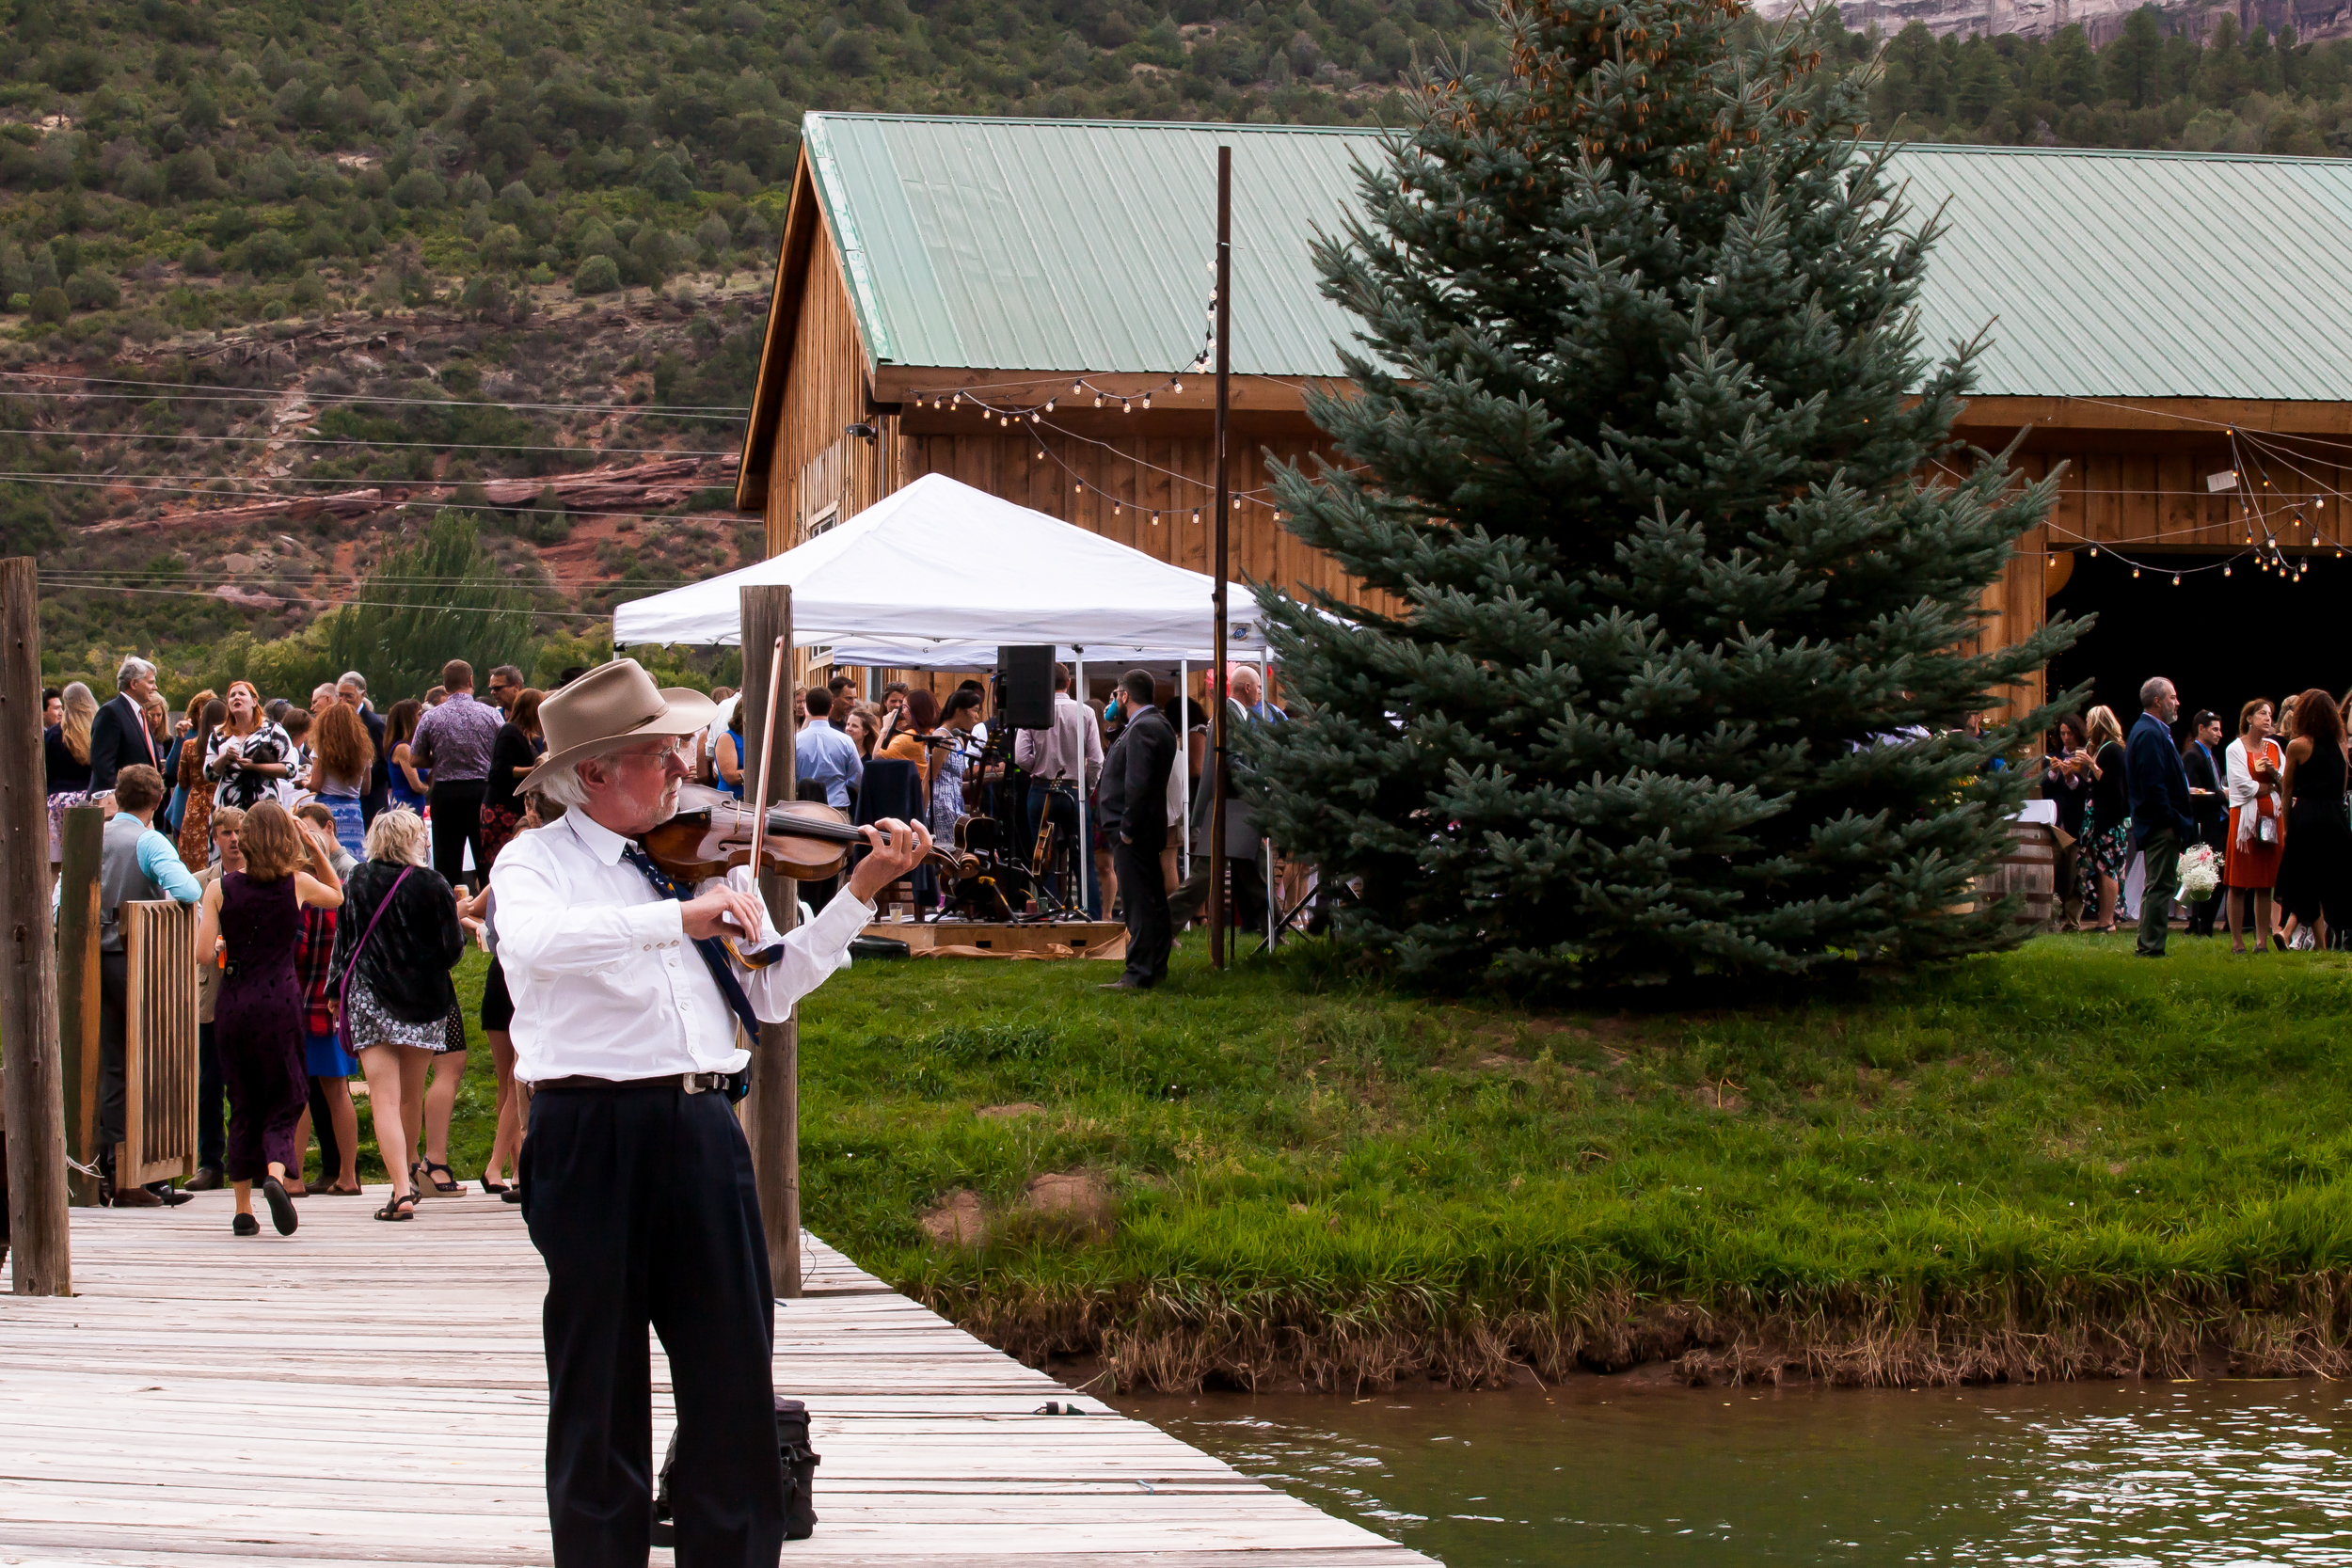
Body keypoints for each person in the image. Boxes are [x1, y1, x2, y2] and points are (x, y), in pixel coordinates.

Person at [488, 656, 928, 1567]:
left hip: (699, 1129)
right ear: (594, 772)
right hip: (589, 1132)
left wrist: (856, 893)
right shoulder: (535, 862)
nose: (683, 769)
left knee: (732, 1380)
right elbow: (532, 944)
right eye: (660, 755)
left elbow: (769, 994)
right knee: (598, 1385)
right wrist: (676, 921)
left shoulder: (692, 861)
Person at [196, 800, 343, 1236]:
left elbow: (203, 954)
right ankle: (276, 1175)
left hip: (235, 1002)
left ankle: (243, 1209)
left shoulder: (219, 888)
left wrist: (226, 948)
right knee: (287, 1094)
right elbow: (336, 894)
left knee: (241, 1100)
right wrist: (315, 849)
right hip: (281, 999)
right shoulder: (296, 884)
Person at [326, 807, 466, 1222]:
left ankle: (401, 1191)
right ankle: (407, 1172)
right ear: (413, 839)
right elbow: (453, 950)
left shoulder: (356, 879)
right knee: (409, 1095)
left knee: (383, 1099)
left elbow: (344, 940)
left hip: (368, 995)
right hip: (421, 1001)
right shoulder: (433, 883)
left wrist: (335, 990)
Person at [87, 765, 203, 1207]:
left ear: (117, 795)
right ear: (157, 802)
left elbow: (62, 902)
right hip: (137, 964)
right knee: (150, 1066)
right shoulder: (149, 839)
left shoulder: (92, 837)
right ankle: (141, 1175)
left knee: (112, 1065)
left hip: (91, 963)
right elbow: (188, 891)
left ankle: (112, 1170)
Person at [290, 804, 364, 1199]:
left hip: (307, 1002)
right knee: (339, 1091)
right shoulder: (341, 892)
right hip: (334, 1002)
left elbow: (299, 952)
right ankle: (348, 1175)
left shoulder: (308, 897)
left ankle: (295, 1176)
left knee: (301, 1093)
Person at [1100, 669, 1178, 990]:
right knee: (1152, 899)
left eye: (1117, 695)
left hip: (1133, 830)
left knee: (1139, 904)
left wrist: (1127, 829)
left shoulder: (1144, 728)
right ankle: (1155, 966)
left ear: (1125, 696)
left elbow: (1139, 782)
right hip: (1144, 827)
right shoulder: (1153, 724)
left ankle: (1138, 973)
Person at [183, 806, 247, 1192]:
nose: (235, 840)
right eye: (226, 833)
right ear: (215, 838)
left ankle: (255, 1161)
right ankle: (211, 1162)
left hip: (253, 993)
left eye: (240, 832)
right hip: (212, 994)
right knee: (209, 1082)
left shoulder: (264, 880)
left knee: (250, 1082)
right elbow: (194, 939)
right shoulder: (197, 884)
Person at [410, 658, 505, 891]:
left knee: (447, 859)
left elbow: (414, 758)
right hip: (482, 791)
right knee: (486, 857)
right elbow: (502, 751)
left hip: (446, 792)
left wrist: (440, 758)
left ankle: (449, 910)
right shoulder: (491, 715)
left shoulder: (432, 717)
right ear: (471, 681)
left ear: (445, 685)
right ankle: (489, 907)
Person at [1013, 665, 1103, 911]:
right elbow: (1096, 759)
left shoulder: (1033, 712)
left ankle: (1048, 911)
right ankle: (1092, 915)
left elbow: (1021, 758)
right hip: (1075, 788)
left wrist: (1040, 766)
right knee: (1084, 860)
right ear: (1069, 683)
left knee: (1042, 859)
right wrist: (1088, 786)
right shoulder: (1085, 712)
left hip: (1042, 789)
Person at [2274, 686, 2352, 951]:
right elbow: (2341, 789)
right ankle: (2323, 943)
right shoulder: (2341, 747)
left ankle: (2315, 942)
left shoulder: (2297, 746)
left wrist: (2286, 826)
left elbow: (2287, 791)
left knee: (2304, 881)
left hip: (2305, 816)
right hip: (2334, 817)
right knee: (2331, 879)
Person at [2123, 677, 2192, 958]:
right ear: (2157, 701)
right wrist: (2171, 820)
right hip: (2160, 823)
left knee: (2156, 885)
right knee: (2160, 886)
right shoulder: (2150, 734)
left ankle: (2147, 942)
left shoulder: (2151, 731)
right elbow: (2154, 785)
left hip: (2158, 822)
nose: (2177, 703)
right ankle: (2152, 947)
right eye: (2173, 697)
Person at [2226, 697, 2285, 955]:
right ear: (2249, 718)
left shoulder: (2274, 747)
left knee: (2265, 882)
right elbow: (2241, 785)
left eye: (2270, 714)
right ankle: (2237, 942)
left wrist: (2273, 775)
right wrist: (2268, 787)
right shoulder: (2234, 749)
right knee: (2239, 882)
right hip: (2245, 823)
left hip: (2272, 819)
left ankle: (2262, 941)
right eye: (2262, 713)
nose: (2268, 718)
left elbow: (2285, 779)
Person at [2076, 705, 2130, 934]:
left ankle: (2108, 920)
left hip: (2109, 820)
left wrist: (2091, 765)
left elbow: (2113, 786)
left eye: (2089, 723)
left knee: (2108, 868)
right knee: (2099, 867)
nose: (2087, 729)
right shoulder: (2101, 750)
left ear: (2098, 724)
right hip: (2098, 819)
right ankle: (2103, 919)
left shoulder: (2112, 750)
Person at [207, 681, 295, 815]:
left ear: (254, 702)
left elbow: (290, 769)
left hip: (265, 807)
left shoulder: (272, 730)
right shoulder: (219, 734)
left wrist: (254, 767)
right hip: (228, 808)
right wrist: (224, 758)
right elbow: (209, 774)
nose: (236, 697)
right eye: (232, 695)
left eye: (242, 694)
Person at [481, 688, 545, 867]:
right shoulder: (510, 731)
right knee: (502, 857)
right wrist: (536, 769)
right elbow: (500, 770)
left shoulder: (529, 734)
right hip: (502, 808)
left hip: (515, 805)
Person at [2180, 710, 2228, 939]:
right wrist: (2223, 795)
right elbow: (2193, 793)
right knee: (2204, 875)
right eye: (2215, 729)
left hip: (2217, 824)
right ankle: (2200, 924)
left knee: (2215, 875)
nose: (2219, 734)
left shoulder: (2211, 756)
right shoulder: (2193, 756)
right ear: (2201, 729)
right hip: (2202, 825)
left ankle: (2202, 924)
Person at [308, 700, 374, 860]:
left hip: (328, 810)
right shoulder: (362, 752)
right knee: (352, 858)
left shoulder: (322, 750)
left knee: (328, 856)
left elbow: (315, 784)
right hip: (353, 811)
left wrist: (303, 782)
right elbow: (366, 789)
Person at [2042, 714, 2091, 930]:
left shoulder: (2085, 759)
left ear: (2078, 733)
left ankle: (2072, 921)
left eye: (2070, 733)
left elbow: (2086, 792)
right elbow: (2045, 790)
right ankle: (2050, 917)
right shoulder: (2052, 756)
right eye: (2062, 733)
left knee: (2073, 875)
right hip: (2055, 825)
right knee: (2052, 873)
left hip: (2075, 823)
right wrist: (2053, 774)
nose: (2066, 737)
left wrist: (2071, 778)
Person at [87, 656, 163, 795]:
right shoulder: (111, 713)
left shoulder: (139, 713)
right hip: (123, 807)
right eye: (151, 682)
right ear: (134, 683)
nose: (155, 687)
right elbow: (103, 766)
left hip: (142, 805)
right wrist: (123, 800)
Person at [45, 680, 97, 879]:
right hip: (89, 801)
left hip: (58, 803)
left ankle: (52, 907)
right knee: (89, 861)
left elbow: (46, 773)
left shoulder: (54, 734)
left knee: (56, 866)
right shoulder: (97, 732)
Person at [796, 689, 865, 809]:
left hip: (804, 809)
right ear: (831, 707)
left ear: (807, 707)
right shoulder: (845, 741)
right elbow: (858, 778)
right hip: (837, 808)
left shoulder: (796, 741)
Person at [338, 672, 391, 825]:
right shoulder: (339, 720)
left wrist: (353, 773)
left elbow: (383, 766)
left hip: (369, 802)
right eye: (340, 695)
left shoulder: (373, 724)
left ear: (362, 695)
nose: (343, 700)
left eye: (348, 695)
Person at [385, 697, 430, 814]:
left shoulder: (411, 747)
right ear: (408, 720)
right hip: (405, 808)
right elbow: (417, 786)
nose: (422, 717)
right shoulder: (403, 748)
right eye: (419, 714)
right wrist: (428, 788)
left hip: (416, 807)